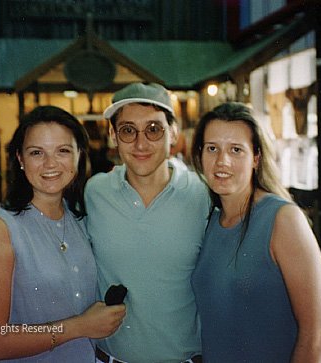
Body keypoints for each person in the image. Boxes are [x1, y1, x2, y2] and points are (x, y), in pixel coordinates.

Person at [0, 106, 126, 362]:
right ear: (20, 159)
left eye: (63, 151)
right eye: (36, 153)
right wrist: (80, 326)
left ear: (79, 156)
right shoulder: (0, 229)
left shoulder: (82, 221)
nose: (51, 164)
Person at [190, 102, 321, 362]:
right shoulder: (209, 220)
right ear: (200, 155)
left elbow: (316, 335)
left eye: (236, 150)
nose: (222, 161)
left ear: (256, 158)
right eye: (212, 149)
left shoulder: (283, 219)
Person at [85, 83, 210, 363]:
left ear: (174, 133)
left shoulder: (202, 194)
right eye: (128, 130)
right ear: (113, 136)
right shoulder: (95, 192)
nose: (141, 144)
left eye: (154, 129)